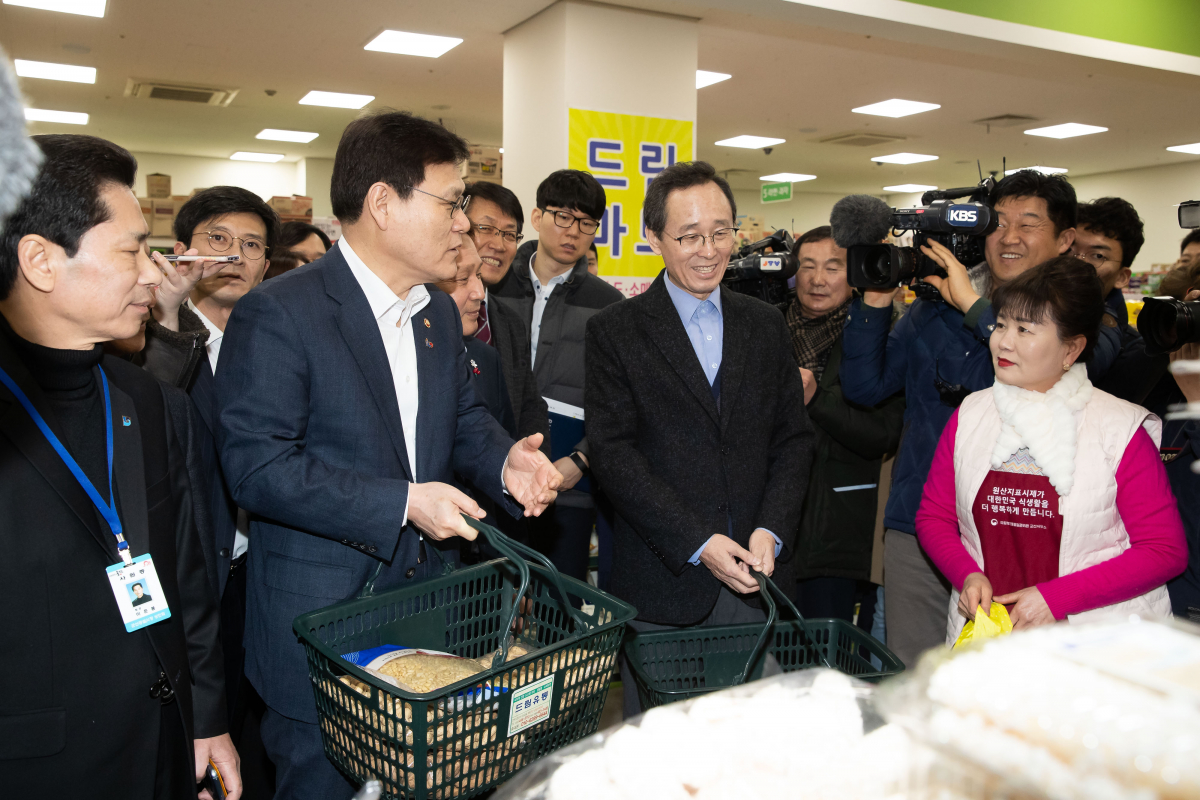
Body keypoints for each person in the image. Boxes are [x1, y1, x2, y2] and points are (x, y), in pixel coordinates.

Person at [213, 110, 562, 800]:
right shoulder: (283, 313)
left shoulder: (432, 310)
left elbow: (459, 417)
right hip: (322, 628)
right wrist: (401, 503)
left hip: (424, 618)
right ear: (381, 202)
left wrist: (503, 460)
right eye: (452, 202)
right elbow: (257, 467)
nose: (465, 223)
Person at [0, 133, 237, 797]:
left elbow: (187, 577)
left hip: (160, 745)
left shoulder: (147, 399)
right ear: (41, 261)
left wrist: (207, 720)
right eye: (131, 250)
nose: (151, 275)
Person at [840, 169, 1121, 669]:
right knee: (915, 677)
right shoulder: (934, 310)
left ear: (1065, 239)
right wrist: (878, 293)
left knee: (1009, 686)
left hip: (1021, 531)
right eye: (999, 222)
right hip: (920, 524)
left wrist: (974, 307)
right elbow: (865, 388)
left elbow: (1053, 381)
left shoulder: (1082, 317)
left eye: (1028, 224)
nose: (1009, 237)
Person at [586, 161, 813, 717]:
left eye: (720, 232)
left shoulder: (764, 323)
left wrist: (772, 528)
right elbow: (614, 455)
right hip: (665, 585)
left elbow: (793, 439)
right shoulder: (616, 331)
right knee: (660, 758)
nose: (708, 250)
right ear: (653, 238)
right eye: (688, 236)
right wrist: (697, 541)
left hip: (751, 581)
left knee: (745, 752)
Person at [916, 256, 1186, 639]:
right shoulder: (973, 413)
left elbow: (1163, 550)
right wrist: (968, 574)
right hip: (989, 636)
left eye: (1025, 329)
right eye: (1003, 324)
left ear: (1071, 350)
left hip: (1094, 644)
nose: (1003, 341)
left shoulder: (1118, 428)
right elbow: (934, 517)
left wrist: (1057, 598)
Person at [491, 169, 624, 580]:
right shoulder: (492, 287)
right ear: (536, 216)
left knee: (557, 600)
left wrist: (582, 461)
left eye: (586, 223)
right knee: (490, 595)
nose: (573, 232)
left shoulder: (609, 305)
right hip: (492, 465)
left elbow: (619, 401)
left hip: (568, 478)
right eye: (563, 217)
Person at [785, 226, 904, 623]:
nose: (818, 279)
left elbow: (882, 434)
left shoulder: (877, 335)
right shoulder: (766, 328)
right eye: (807, 266)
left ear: (854, 275)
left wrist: (817, 399)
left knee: (822, 657)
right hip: (768, 524)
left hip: (835, 527)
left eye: (833, 267)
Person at [463, 181, 549, 450]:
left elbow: (528, 405)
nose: (499, 244)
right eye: (486, 228)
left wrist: (535, 460)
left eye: (510, 235)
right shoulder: (425, 310)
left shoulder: (510, 323)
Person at [1074, 197, 1167, 404]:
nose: (1077, 263)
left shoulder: (1133, 353)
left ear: (1122, 277)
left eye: (1097, 256)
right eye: (1070, 249)